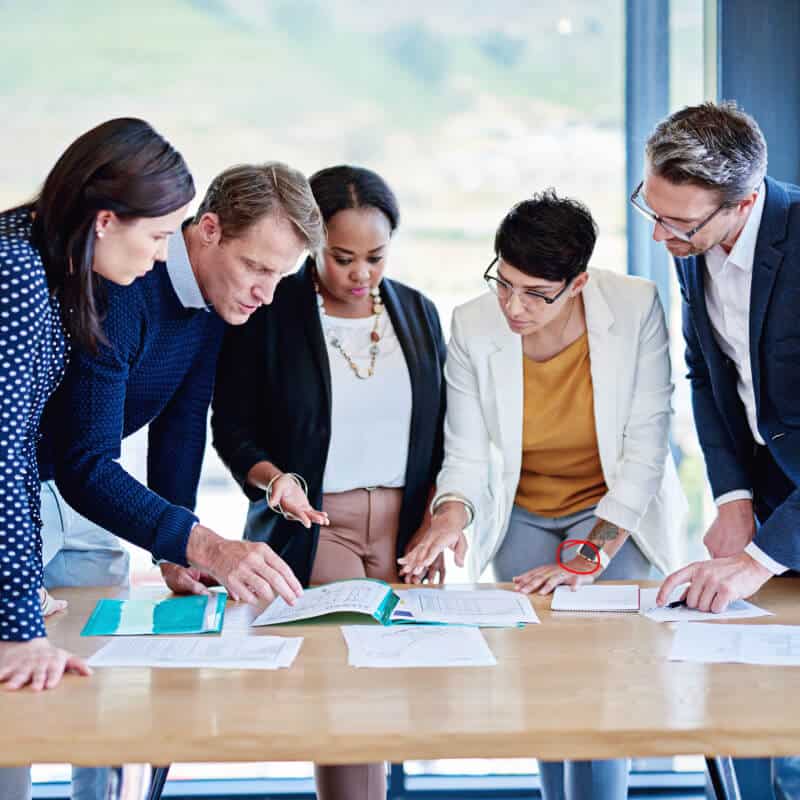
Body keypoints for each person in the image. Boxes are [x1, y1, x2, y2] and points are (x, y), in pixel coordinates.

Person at [399, 189, 686, 800]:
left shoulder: (635, 306)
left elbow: (644, 451)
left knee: (606, 686)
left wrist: (592, 551)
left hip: (616, 512)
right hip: (523, 512)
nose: (513, 306)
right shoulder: (473, 323)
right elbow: (469, 454)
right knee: (542, 685)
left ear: (578, 282)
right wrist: (449, 518)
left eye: (536, 293)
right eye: (504, 283)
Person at [211, 165, 446, 800]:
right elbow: (231, 429)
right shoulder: (272, 310)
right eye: (342, 258)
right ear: (313, 244)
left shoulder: (417, 313)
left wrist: (439, 521)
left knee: (394, 685)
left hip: (403, 529)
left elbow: (442, 429)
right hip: (315, 527)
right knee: (350, 682)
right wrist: (274, 480)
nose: (361, 274)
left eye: (376, 257)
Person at [0, 117, 195, 800]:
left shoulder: (40, 259)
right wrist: (14, 624)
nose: (162, 255)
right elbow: (2, 459)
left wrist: (20, 593)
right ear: (107, 220)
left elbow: (22, 453)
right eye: (160, 235)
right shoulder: (19, 275)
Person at [637, 101, 800, 798]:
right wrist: (733, 498)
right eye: (651, 210)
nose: (661, 235)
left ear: (746, 200)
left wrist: (757, 560)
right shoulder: (691, 248)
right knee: (755, 700)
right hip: (770, 490)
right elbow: (709, 372)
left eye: (680, 224)